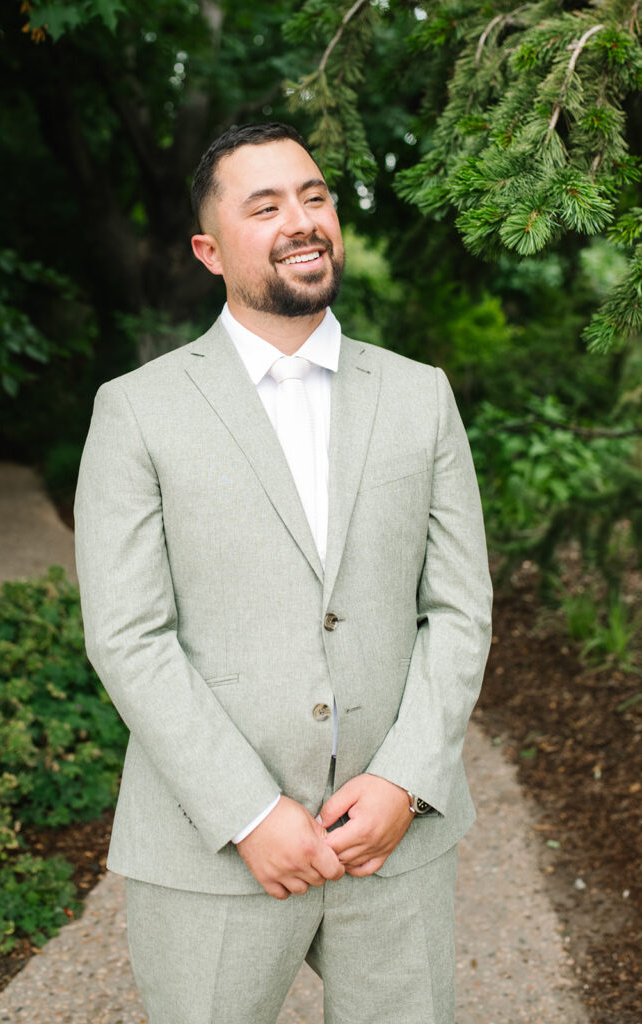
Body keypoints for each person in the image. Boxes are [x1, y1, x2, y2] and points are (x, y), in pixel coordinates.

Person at [74, 121, 492, 1024]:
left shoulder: (421, 395)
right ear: (209, 249)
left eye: (313, 197)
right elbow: (125, 634)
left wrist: (407, 779)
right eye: (264, 206)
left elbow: (459, 608)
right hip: (210, 849)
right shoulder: (135, 412)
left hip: (393, 844)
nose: (301, 221)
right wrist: (248, 812)